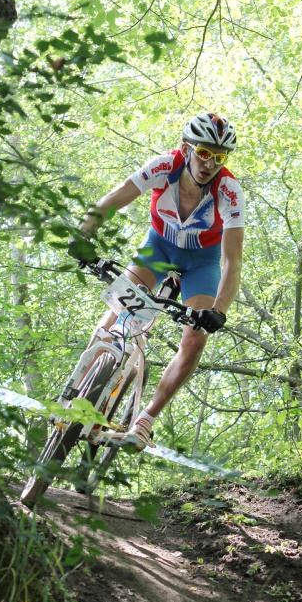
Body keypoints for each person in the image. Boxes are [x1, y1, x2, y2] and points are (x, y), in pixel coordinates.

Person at [76, 112, 246, 450]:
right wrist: (82, 235)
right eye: (204, 152)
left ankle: (145, 420)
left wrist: (220, 310)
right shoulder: (164, 167)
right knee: (118, 309)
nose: (210, 163)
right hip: (159, 249)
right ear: (187, 148)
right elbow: (115, 197)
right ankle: (80, 387)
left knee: (195, 340)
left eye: (219, 157)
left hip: (201, 262)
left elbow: (232, 261)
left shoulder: (228, 190)